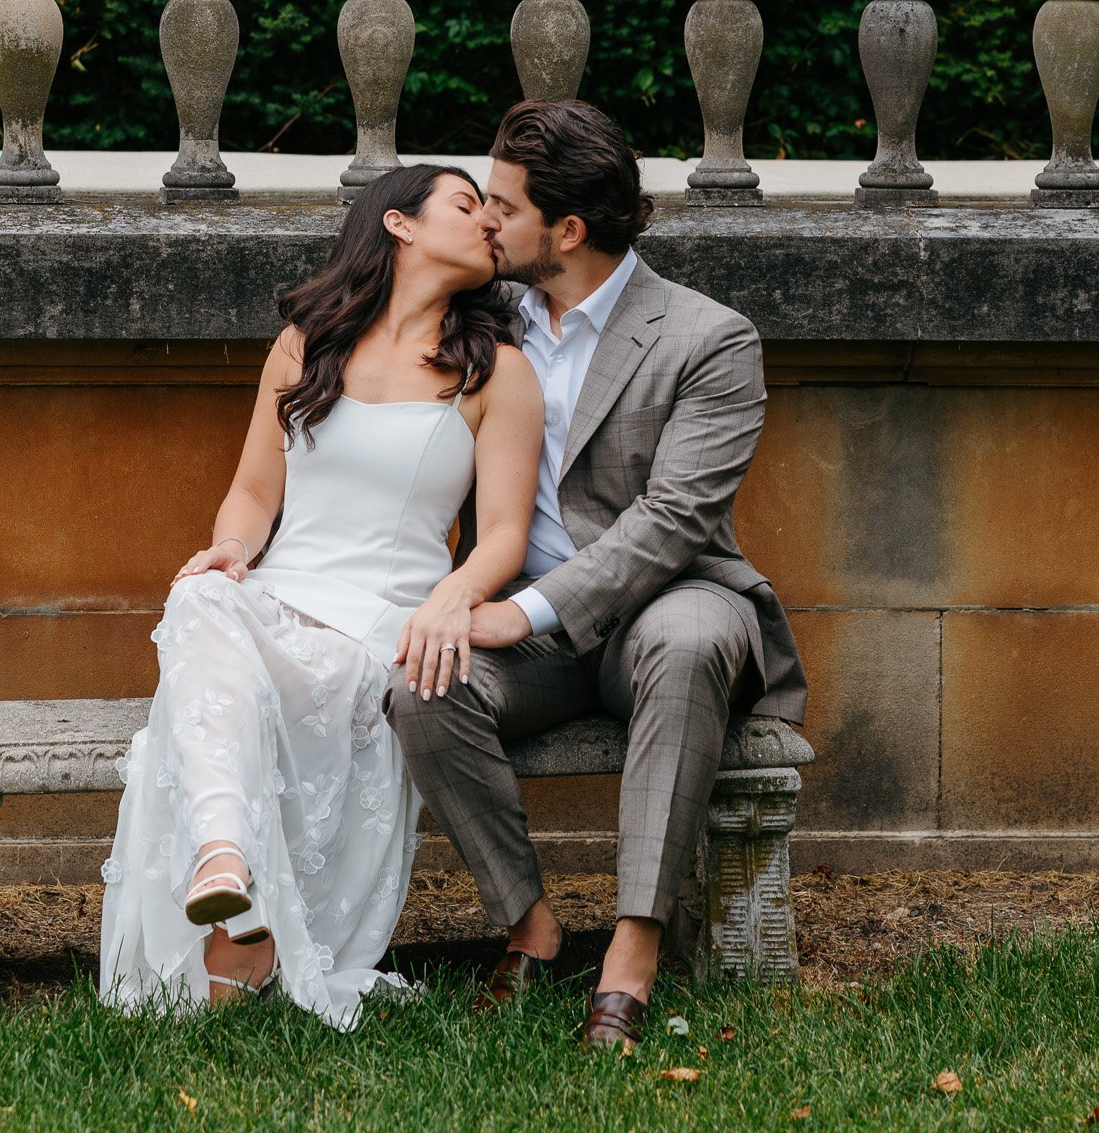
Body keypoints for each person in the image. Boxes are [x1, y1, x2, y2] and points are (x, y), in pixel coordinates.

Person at [386, 101, 807, 1055]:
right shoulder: (481, 321)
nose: (482, 220)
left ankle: (631, 951)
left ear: (566, 231)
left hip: (669, 596)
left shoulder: (708, 338)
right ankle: (530, 926)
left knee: (692, 638)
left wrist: (520, 611)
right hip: (522, 621)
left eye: (501, 205)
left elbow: (674, 522)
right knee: (421, 684)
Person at [99, 163, 542, 1029]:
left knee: (217, 659)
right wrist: (229, 549)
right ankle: (224, 858)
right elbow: (254, 495)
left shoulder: (497, 373)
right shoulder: (307, 343)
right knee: (197, 597)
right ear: (399, 225)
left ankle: (238, 903)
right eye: (466, 205)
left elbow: (502, 538)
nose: (489, 221)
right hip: (274, 598)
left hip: (381, 622)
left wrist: (454, 597)